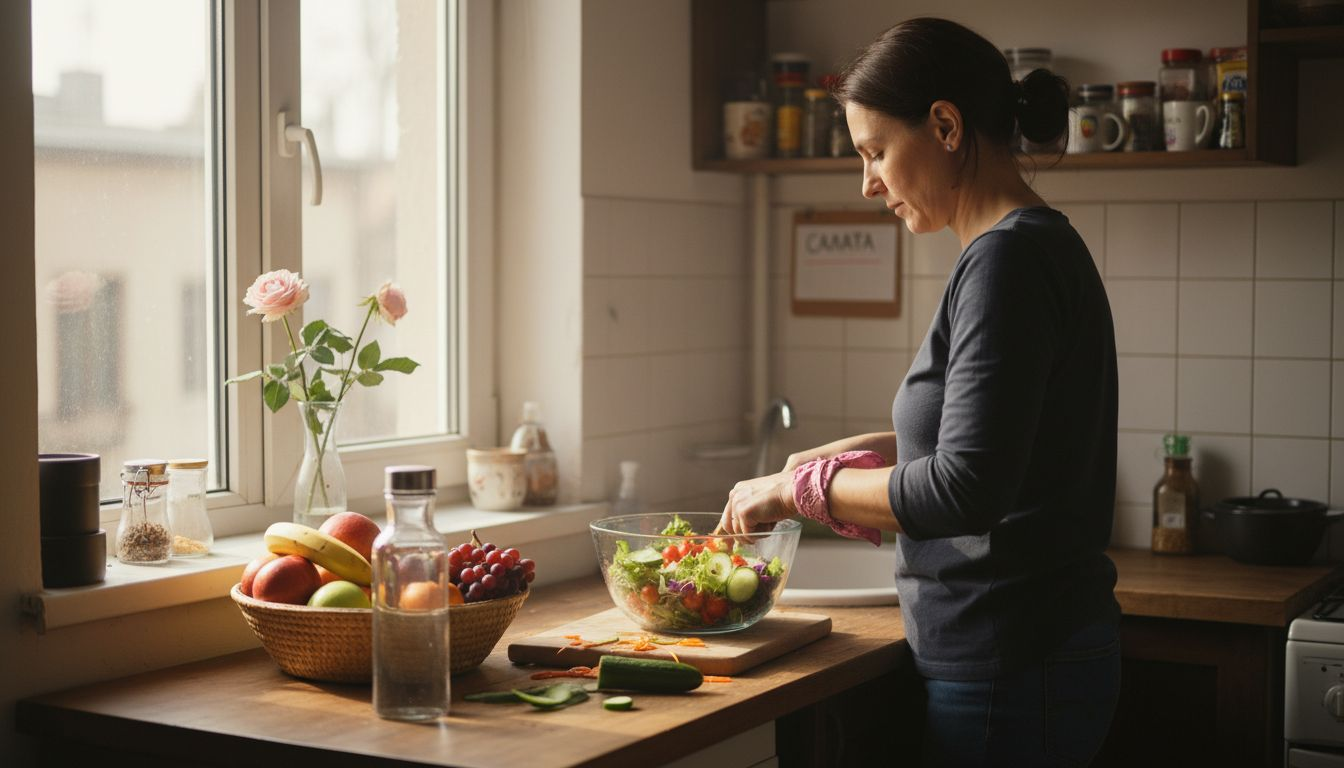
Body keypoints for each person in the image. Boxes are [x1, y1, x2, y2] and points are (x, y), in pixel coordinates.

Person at [716, 17, 1121, 768]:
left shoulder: (1006, 262)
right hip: (1027, 649)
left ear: (944, 126)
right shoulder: (1024, 247)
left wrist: (798, 491)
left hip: (1010, 657)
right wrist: (826, 461)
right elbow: (988, 444)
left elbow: (965, 488)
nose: (868, 182)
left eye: (876, 151)